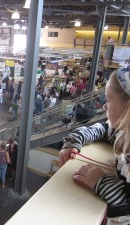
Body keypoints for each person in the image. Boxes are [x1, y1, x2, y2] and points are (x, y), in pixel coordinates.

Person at [58, 67, 130, 225]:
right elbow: (104, 130)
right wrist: (75, 139)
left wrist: (102, 182)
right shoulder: (123, 131)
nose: (104, 106)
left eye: (109, 100)